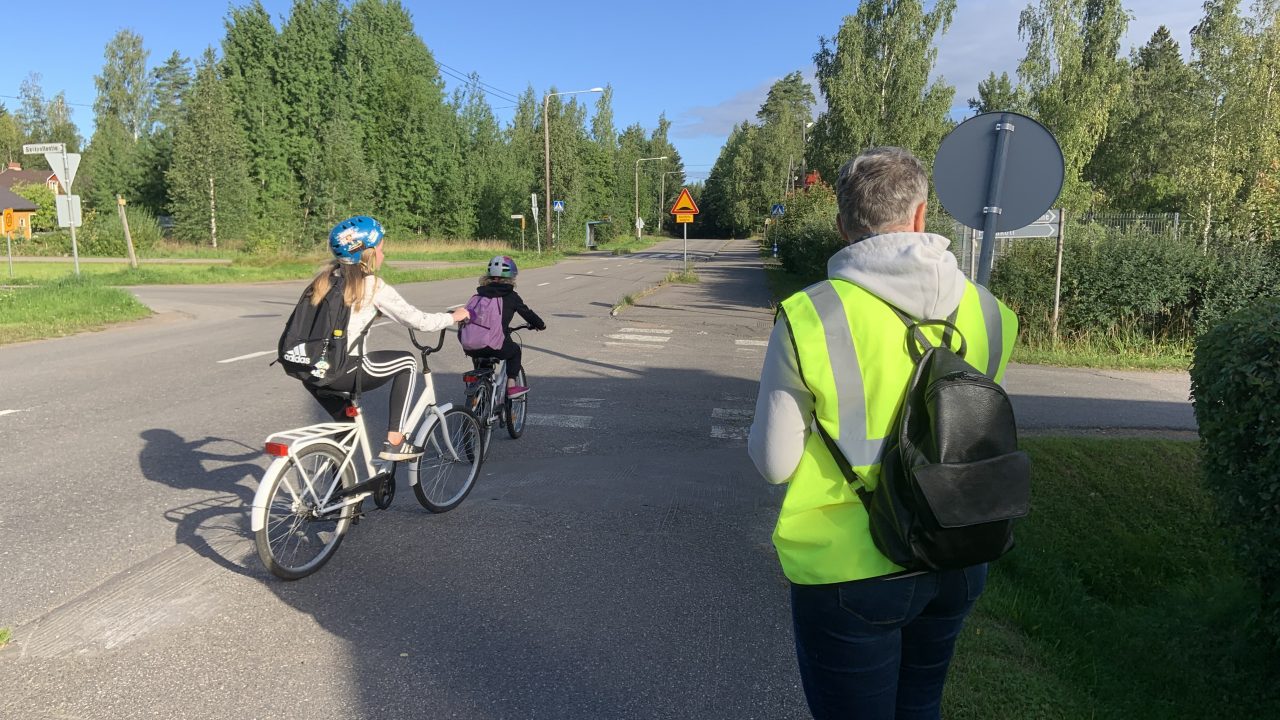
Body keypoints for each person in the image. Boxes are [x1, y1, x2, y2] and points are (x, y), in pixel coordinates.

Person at [748, 147, 1018, 719]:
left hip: (851, 571)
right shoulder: (992, 313)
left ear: (843, 226)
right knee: (920, 708)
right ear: (921, 216)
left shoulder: (809, 315)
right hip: (958, 549)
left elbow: (773, 463)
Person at [303, 215, 471, 461]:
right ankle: (395, 441)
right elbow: (419, 321)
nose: (383, 255)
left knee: (346, 429)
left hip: (311, 371)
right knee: (408, 363)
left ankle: (343, 494)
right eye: (381, 249)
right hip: (344, 368)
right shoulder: (371, 285)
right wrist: (453, 317)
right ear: (367, 254)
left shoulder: (324, 280)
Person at [462, 255, 546, 397]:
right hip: (496, 345)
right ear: (511, 277)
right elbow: (527, 313)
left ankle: (478, 398)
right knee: (514, 351)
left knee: (481, 360)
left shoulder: (478, 295)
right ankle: (512, 385)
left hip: (472, 345)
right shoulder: (511, 296)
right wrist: (540, 325)